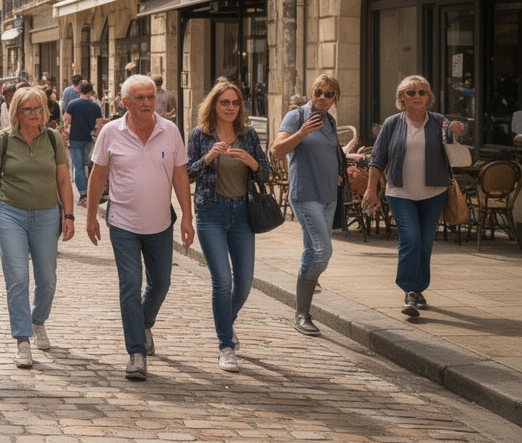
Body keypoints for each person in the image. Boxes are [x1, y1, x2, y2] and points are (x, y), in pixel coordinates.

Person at [85, 75, 193, 381]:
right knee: (130, 283)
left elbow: (181, 176)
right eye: (140, 98)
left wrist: (187, 216)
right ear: (125, 103)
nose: (148, 103)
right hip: (123, 223)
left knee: (161, 283)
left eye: (151, 96)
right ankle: (136, 352)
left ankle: (144, 323)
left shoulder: (170, 131)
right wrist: (91, 216)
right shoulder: (110, 132)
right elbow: (97, 177)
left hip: (160, 224)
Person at [0, 86, 75, 369]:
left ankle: (38, 321)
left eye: (39, 109)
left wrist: (68, 215)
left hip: (46, 215)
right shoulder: (3, 139)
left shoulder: (53, 138)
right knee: (18, 277)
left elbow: (62, 180)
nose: (35, 114)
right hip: (11, 214)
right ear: (17, 113)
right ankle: (22, 338)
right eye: (28, 110)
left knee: (47, 279)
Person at [364, 76, 466, 318]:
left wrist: (459, 131)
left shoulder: (440, 122)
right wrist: (370, 189)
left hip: (434, 192)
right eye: (411, 93)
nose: (417, 96)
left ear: (428, 96)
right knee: (411, 239)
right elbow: (377, 160)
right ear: (402, 98)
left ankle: (419, 289)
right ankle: (409, 290)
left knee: (425, 243)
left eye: (422, 92)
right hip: (400, 192)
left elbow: (453, 144)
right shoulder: (392, 124)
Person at [186, 81, 270, 373]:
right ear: (214, 105)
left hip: (243, 214)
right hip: (211, 212)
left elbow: (266, 172)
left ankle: (225, 321)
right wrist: (208, 157)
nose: (230, 107)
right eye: (225, 102)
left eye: (235, 102)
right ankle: (225, 346)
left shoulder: (248, 135)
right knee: (222, 281)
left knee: (244, 283)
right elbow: (186, 173)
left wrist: (252, 162)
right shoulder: (200, 135)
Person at [271, 73, 343, 337]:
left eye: (329, 94)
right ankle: (302, 312)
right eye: (318, 92)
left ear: (335, 98)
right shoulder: (297, 116)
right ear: (311, 92)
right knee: (322, 251)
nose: (322, 98)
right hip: (304, 194)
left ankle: (304, 303)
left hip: (328, 196)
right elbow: (276, 150)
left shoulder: (331, 121)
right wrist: (302, 133)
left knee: (312, 252)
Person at [64, 81, 102, 205]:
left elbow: (66, 121)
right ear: (90, 91)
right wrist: (97, 138)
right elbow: (99, 124)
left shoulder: (72, 104)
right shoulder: (95, 106)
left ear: (79, 91)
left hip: (75, 138)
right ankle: (86, 188)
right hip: (87, 139)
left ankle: (83, 193)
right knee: (83, 163)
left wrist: (66, 132)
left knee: (78, 166)